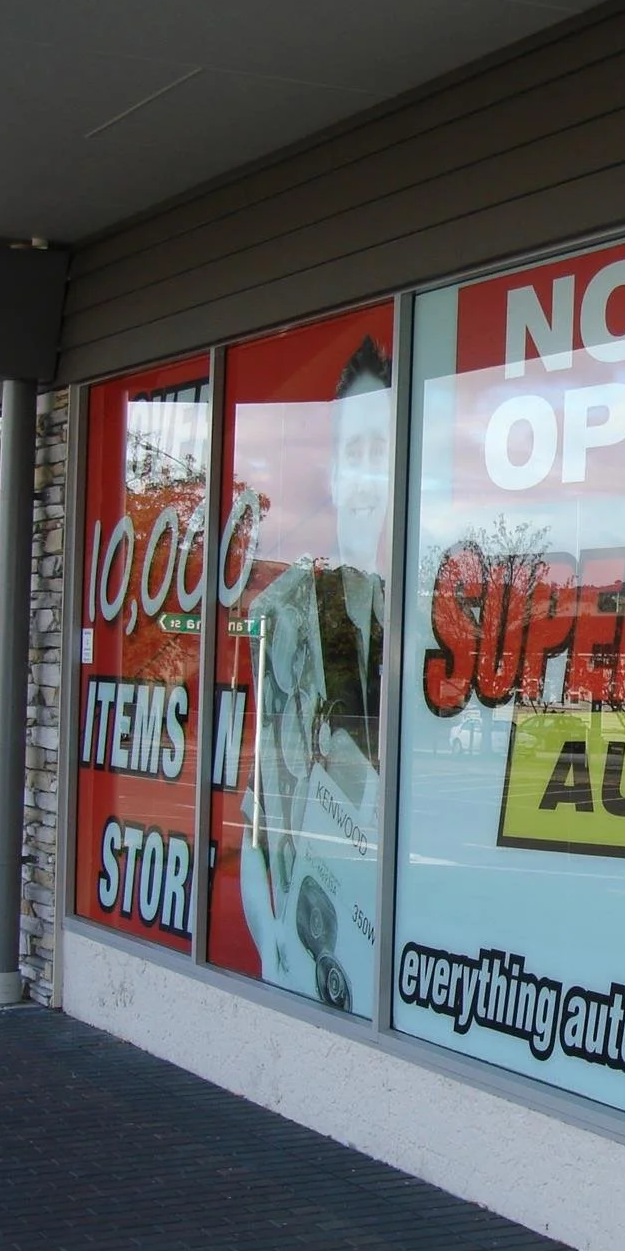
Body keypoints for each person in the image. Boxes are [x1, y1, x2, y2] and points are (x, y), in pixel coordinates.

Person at [237, 335, 393, 1010]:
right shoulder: (288, 615)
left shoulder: (409, 620)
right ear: (333, 472)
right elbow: (257, 831)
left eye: (380, 453)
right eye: (353, 453)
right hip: (306, 958)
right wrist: (274, 941)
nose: (366, 476)